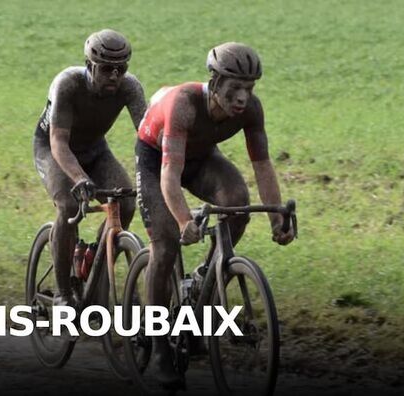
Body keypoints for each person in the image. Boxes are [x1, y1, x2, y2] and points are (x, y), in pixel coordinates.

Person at [135, 42, 295, 387]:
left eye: (248, 89)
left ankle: (206, 278)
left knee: (237, 203)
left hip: (201, 157)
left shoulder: (252, 111)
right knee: (165, 246)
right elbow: (169, 175)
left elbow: (263, 166)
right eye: (235, 88)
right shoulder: (185, 105)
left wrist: (276, 219)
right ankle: (160, 344)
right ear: (216, 81)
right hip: (156, 160)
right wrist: (182, 221)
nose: (242, 98)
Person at [33, 29, 147, 306]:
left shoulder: (130, 88)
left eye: (120, 69)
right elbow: (58, 142)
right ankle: (63, 292)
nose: (114, 76)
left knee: (127, 203)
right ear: (89, 66)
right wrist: (79, 179)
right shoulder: (67, 84)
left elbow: (148, 137)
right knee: (70, 207)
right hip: (54, 150)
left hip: (96, 151)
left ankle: (95, 262)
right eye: (106, 69)